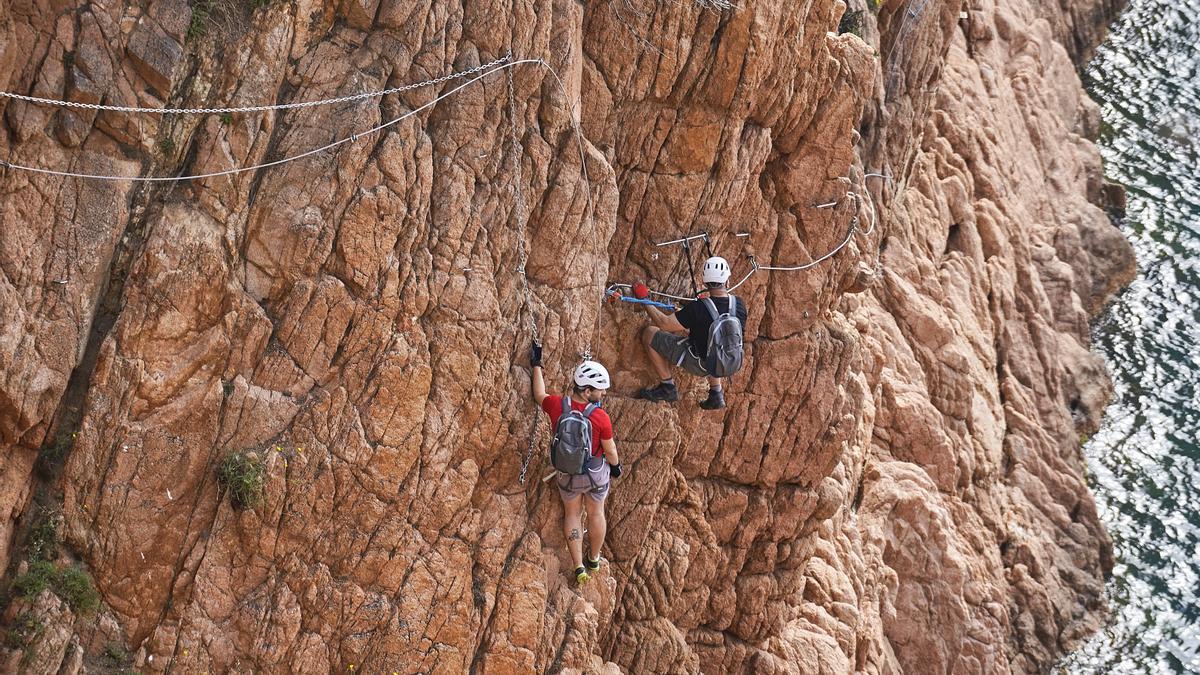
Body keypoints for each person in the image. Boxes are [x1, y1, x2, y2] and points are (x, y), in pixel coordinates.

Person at [530, 345, 622, 585]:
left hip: (567, 474)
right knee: (595, 512)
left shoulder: (558, 406)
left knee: (572, 514)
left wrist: (536, 365)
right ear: (588, 390)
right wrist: (616, 467)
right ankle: (593, 558)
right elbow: (610, 450)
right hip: (594, 475)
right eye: (600, 391)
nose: (602, 395)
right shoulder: (600, 416)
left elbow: (539, 394)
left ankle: (579, 566)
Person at [633, 256, 748, 410]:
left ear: (705, 283)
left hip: (700, 364)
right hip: (730, 361)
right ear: (728, 281)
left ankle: (667, 387)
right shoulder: (739, 305)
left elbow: (664, 324)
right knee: (718, 343)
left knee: (649, 333)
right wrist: (690, 317)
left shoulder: (698, 308)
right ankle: (716, 393)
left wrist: (644, 300)